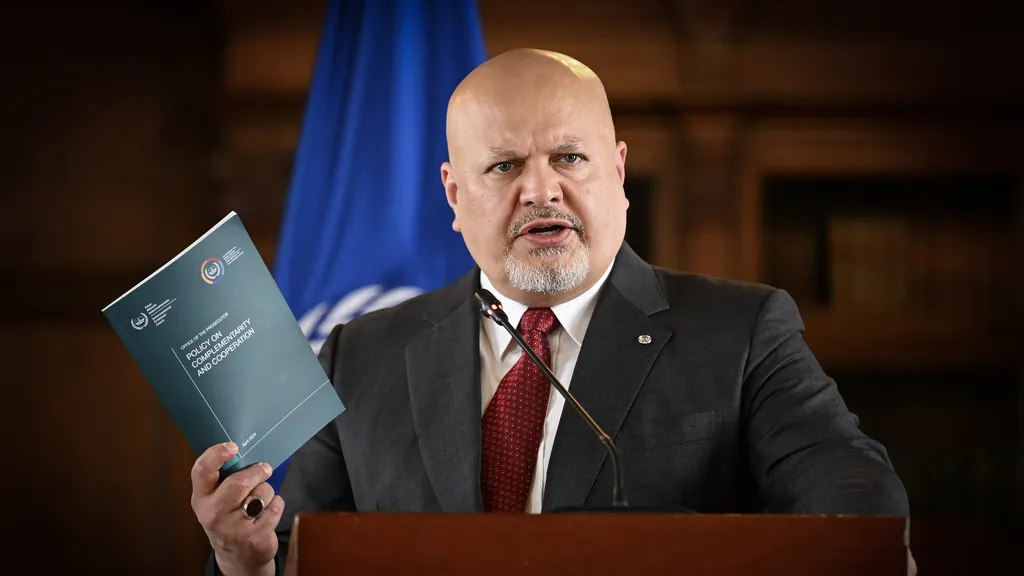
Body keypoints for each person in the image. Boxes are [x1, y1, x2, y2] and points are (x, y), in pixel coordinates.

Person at [191, 48, 911, 576]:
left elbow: (854, 494)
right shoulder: (360, 356)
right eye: (504, 166)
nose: (541, 191)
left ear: (617, 173)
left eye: (569, 158)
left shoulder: (743, 331)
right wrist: (242, 560)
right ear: (454, 195)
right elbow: (297, 557)